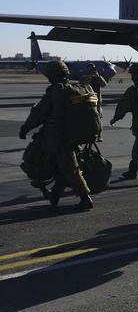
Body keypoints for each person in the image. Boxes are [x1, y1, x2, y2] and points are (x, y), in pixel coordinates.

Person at [19, 59, 95, 209]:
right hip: (74, 135)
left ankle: (85, 198)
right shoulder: (78, 89)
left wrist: (25, 129)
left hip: (59, 137)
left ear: (52, 75)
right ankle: (55, 194)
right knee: (61, 166)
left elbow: (39, 113)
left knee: (68, 167)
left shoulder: (57, 91)